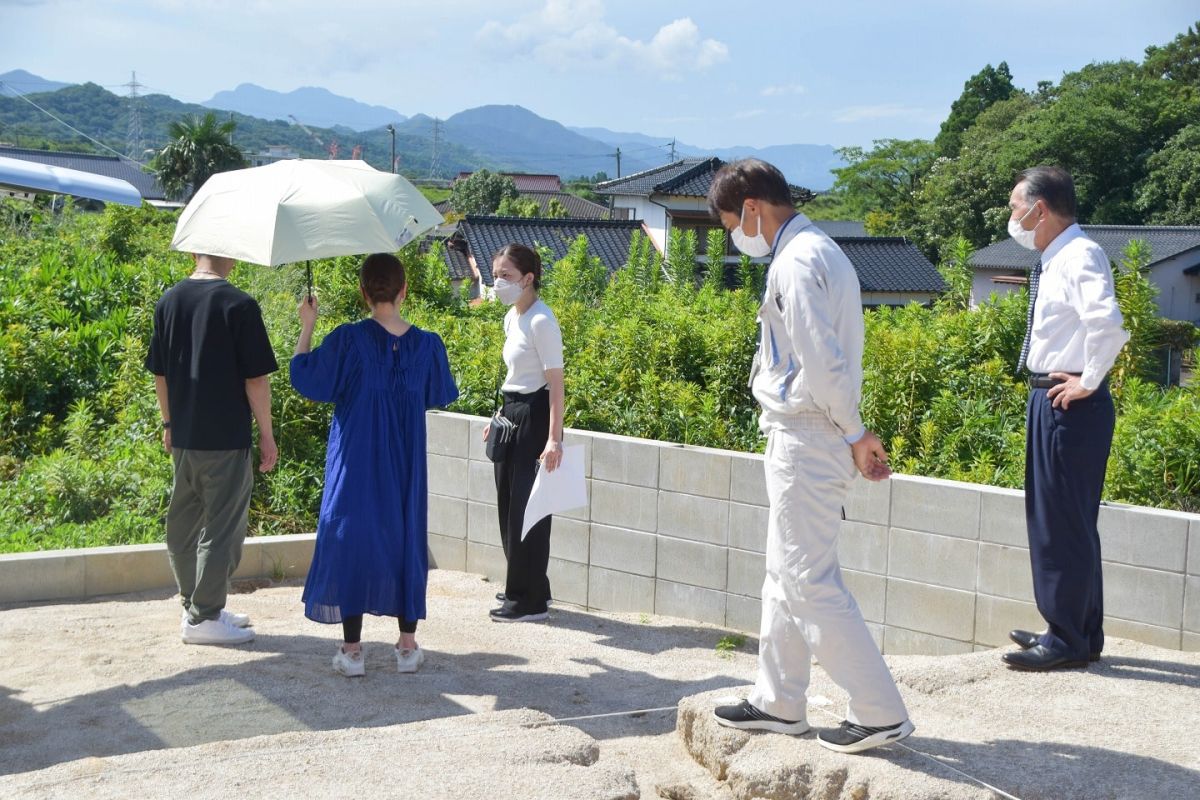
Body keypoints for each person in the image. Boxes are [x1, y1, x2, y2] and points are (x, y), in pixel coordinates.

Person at [706, 159, 913, 754]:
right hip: (812, 431)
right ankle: (779, 701)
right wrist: (851, 430)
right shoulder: (816, 250)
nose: (732, 236)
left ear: (751, 206)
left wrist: (854, 432)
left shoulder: (797, 260)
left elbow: (821, 363)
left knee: (808, 578)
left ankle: (878, 710)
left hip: (809, 432)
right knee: (784, 573)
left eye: (728, 224)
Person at [291, 253, 458, 677]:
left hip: (357, 460)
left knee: (350, 539)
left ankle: (352, 652)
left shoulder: (348, 341)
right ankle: (406, 646)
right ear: (404, 290)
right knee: (406, 539)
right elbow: (440, 393)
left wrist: (307, 325)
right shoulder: (429, 345)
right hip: (406, 465)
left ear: (363, 292)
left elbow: (306, 378)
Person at [1002, 166, 1129, 672]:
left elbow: (1108, 325)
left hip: (1069, 400)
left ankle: (1068, 637)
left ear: (1041, 209)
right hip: (1053, 398)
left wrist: (1088, 380)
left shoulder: (1079, 255)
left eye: (1016, 208)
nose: (1012, 218)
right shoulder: (1056, 258)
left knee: (1062, 524)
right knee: (1062, 520)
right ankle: (1075, 630)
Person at [146, 253, 278, 646]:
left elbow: (160, 373)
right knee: (222, 530)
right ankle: (204, 617)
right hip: (225, 437)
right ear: (232, 251)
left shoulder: (168, 301)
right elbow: (256, 380)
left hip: (184, 436)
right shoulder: (239, 304)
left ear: (193, 252)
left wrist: (169, 423)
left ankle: (199, 607)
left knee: (183, 526)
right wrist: (267, 434)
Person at [484, 244, 565, 623]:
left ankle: (527, 600)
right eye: (496, 274)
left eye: (506, 276)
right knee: (507, 505)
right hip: (512, 412)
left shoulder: (541, 321)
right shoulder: (512, 318)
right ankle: (527, 585)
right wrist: (498, 416)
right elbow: (513, 377)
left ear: (528, 279)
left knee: (527, 510)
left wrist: (553, 439)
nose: (498, 282)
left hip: (534, 417)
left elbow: (555, 386)